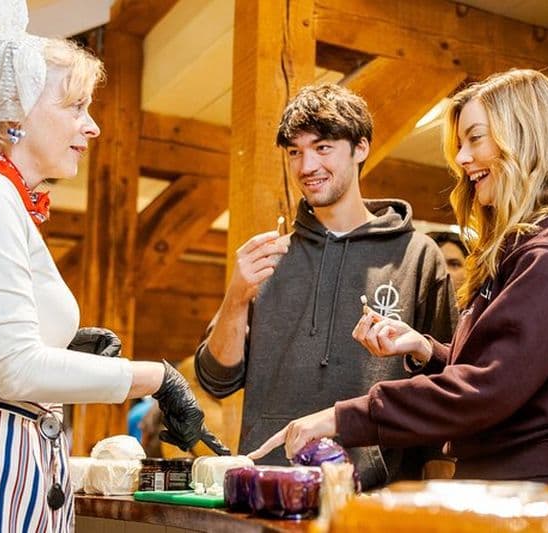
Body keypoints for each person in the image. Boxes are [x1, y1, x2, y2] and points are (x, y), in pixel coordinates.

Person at [251, 69, 548, 532]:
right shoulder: (529, 245)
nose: (463, 159)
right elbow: (525, 373)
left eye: (475, 139)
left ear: (525, 135)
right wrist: (430, 352)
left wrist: (340, 417)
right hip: (527, 488)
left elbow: (490, 387)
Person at [0, 1, 226, 531]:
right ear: (12, 115)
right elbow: (15, 369)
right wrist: (154, 377)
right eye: (75, 107)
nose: (91, 127)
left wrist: (63, 348)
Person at [195, 83, 457, 489]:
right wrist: (236, 296)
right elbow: (217, 380)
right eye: (295, 152)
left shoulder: (418, 256)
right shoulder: (267, 257)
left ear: (361, 148)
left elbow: (445, 383)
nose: (306, 166)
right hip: (270, 489)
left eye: (322, 147)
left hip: (375, 499)